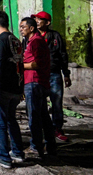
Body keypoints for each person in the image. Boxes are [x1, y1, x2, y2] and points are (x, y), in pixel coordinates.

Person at [0, 10, 25, 169]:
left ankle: (4, 157)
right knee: (11, 120)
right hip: (16, 88)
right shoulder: (16, 39)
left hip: (3, 89)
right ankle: (17, 152)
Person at [20, 17, 57, 157]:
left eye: (23, 27)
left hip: (34, 83)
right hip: (37, 83)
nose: (21, 29)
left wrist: (18, 66)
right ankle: (50, 145)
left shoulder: (36, 42)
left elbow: (36, 63)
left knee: (34, 116)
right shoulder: (32, 42)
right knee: (43, 116)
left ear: (31, 28)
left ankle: (36, 147)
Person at [32, 11, 71, 142]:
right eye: (36, 19)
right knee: (39, 104)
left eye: (40, 19)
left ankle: (57, 129)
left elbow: (63, 55)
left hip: (54, 74)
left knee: (57, 103)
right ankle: (42, 129)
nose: (37, 21)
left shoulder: (55, 36)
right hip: (38, 75)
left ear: (47, 23)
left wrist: (66, 74)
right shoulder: (32, 36)